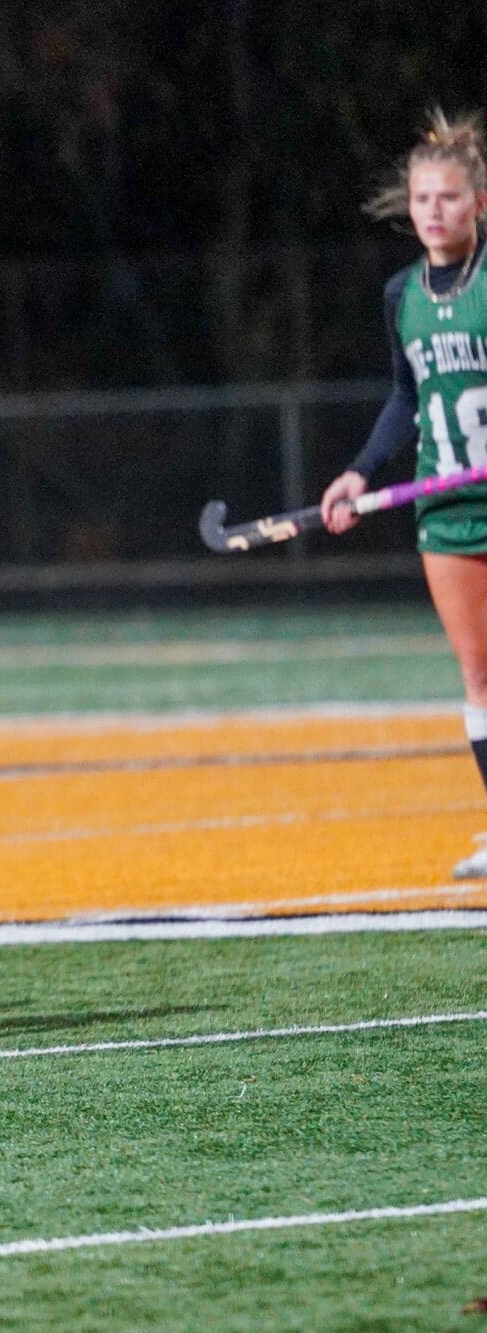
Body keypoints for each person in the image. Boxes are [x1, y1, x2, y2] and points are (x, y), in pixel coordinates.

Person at [321, 108, 487, 878]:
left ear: (478, 203)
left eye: (449, 197)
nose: (433, 211)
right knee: (480, 676)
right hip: (446, 512)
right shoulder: (400, 296)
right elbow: (404, 396)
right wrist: (360, 470)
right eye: (423, 199)